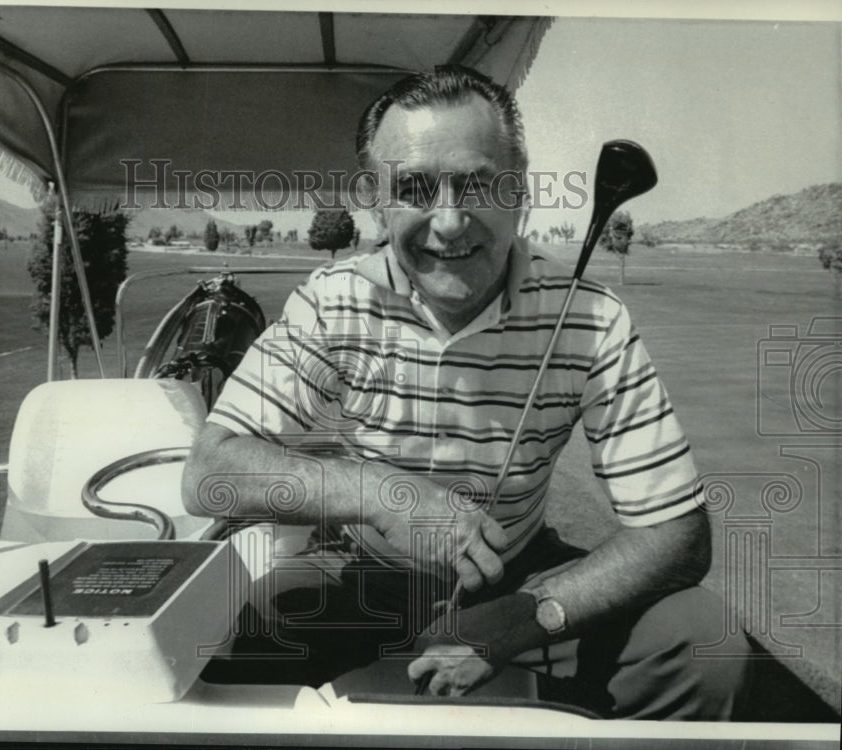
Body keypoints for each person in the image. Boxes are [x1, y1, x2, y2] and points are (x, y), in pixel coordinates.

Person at [182, 65, 751, 719]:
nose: (449, 222)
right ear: (377, 201)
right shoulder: (332, 302)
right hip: (363, 570)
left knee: (701, 644)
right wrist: (385, 496)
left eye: (477, 184)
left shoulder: (590, 317)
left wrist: (529, 615)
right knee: (207, 655)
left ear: (518, 193)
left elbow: (677, 533)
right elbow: (210, 471)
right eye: (416, 189)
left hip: (517, 573)